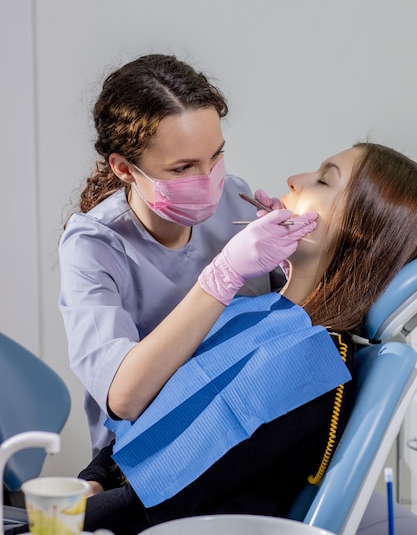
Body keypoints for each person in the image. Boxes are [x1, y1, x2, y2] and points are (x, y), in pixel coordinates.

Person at [69, 142, 417, 535]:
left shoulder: (311, 368)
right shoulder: (253, 310)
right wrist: (94, 478)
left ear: (359, 237)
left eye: (322, 180)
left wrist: (57, 521)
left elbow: (168, 499)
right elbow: (153, 414)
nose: (294, 180)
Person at [59, 53, 291, 455]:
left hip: (246, 431)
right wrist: (223, 276)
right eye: (183, 168)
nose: (209, 181)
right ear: (124, 168)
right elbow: (124, 397)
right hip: (153, 456)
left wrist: (297, 258)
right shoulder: (94, 246)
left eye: (215, 155)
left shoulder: (235, 200)